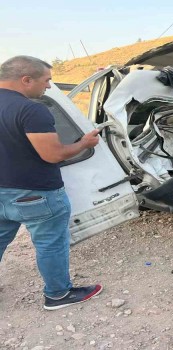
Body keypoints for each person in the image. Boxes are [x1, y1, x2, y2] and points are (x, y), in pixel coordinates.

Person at [0, 56, 102, 310]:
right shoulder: (30, 109)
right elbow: (53, 154)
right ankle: (58, 295)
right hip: (35, 192)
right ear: (26, 80)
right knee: (50, 243)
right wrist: (84, 144)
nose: (48, 86)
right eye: (46, 80)